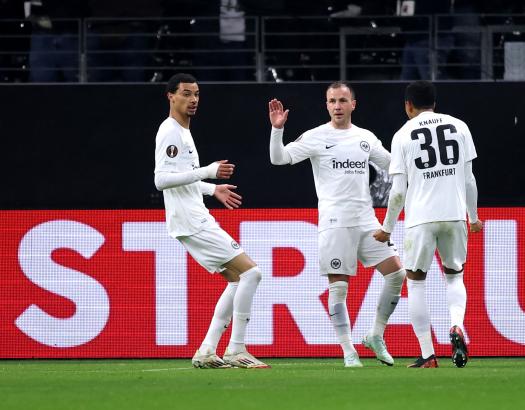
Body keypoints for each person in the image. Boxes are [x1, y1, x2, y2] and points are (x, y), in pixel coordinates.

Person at [268, 82, 406, 367]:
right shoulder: (316, 136)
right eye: (332, 101)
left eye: (343, 100)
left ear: (353, 104)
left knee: (397, 274)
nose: (337, 106)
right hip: (334, 221)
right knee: (339, 288)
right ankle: (348, 350)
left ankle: (375, 335)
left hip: (366, 220)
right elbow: (278, 158)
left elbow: (394, 166)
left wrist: (416, 161)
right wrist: (277, 128)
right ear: (326, 104)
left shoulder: (364, 137)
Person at [154, 73, 269, 369]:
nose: (192, 100)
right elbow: (161, 180)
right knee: (252, 274)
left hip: (193, 216)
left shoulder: (183, 131)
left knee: (236, 279)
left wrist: (211, 189)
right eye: (186, 94)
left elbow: (183, 179)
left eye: (196, 94)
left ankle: (206, 350)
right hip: (191, 220)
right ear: (171, 96)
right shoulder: (170, 132)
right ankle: (237, 349)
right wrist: (207, 172)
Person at [373, 80, 482, 368]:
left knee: (416, 283)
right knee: (455, 276)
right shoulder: (460, 126)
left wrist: (386, 227)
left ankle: (427, 354)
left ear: (408, 105)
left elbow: (397, 191)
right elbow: (470, 179)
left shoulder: (402, 135)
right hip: (455, 214)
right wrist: (474, 216)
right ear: (435, 102)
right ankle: (457, 325)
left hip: (421, 218)